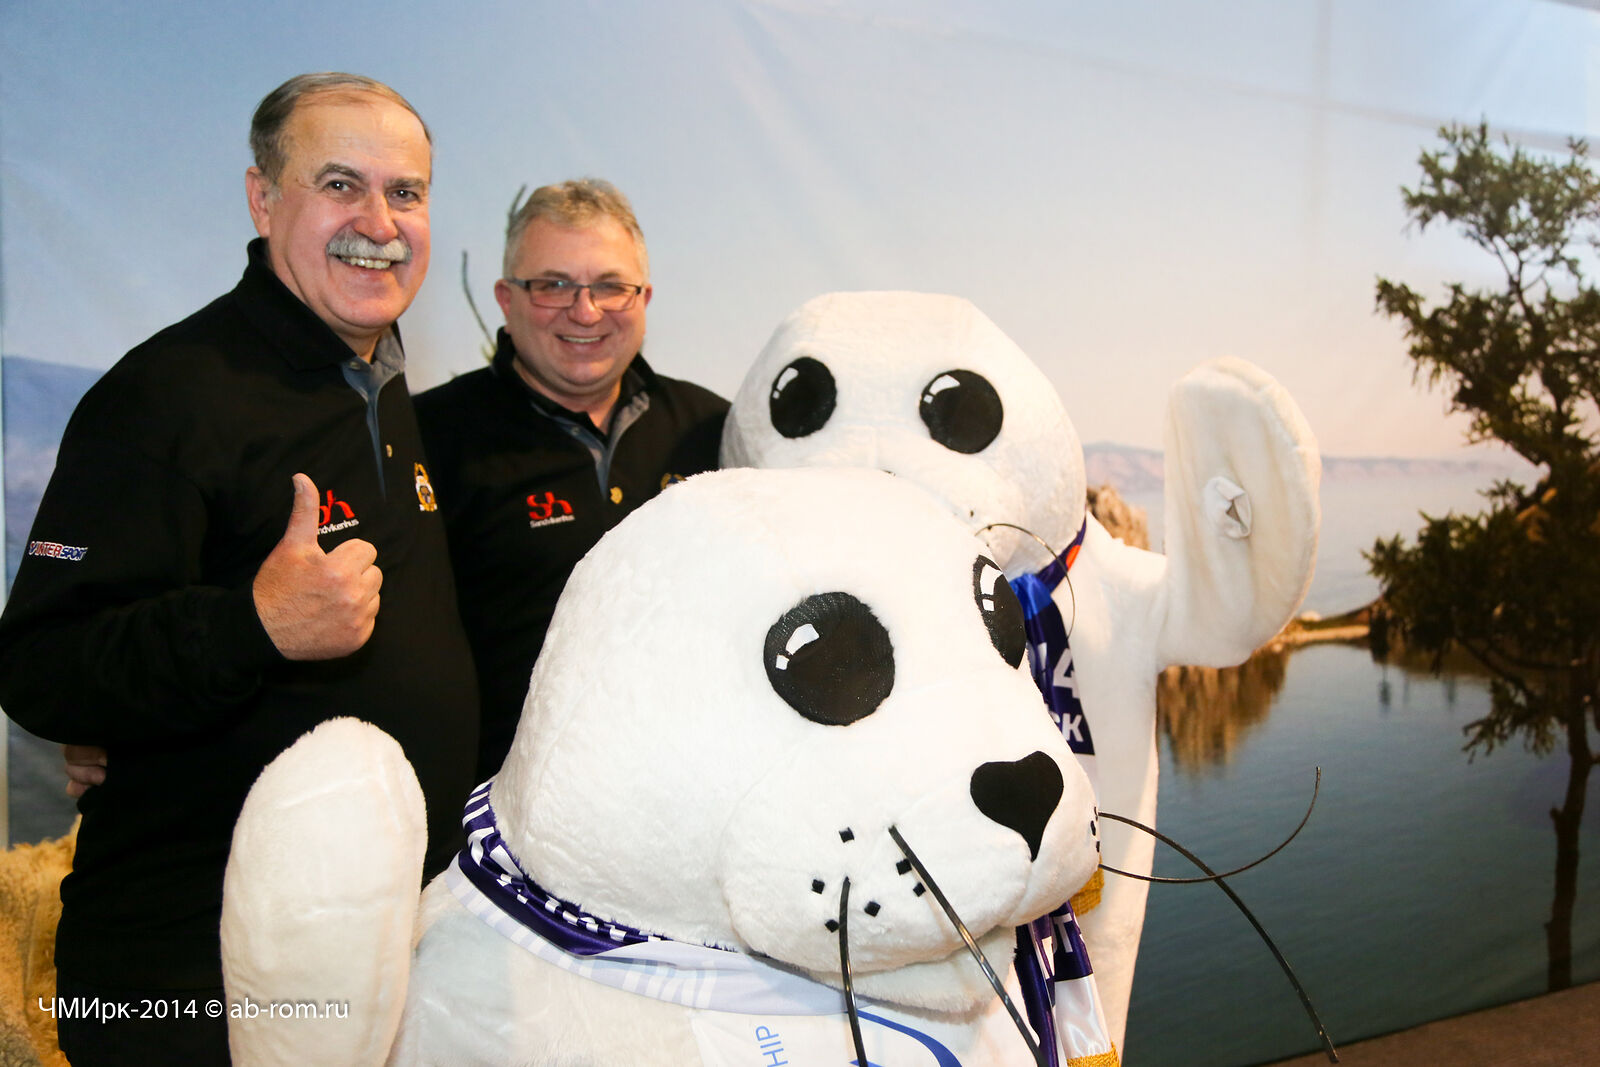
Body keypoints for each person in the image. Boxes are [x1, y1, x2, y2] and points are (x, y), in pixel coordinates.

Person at [0, 73, 479, 1065]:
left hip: (367, 964)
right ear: (263, 199)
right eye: (340, 184)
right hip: (190, 980)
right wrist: (252, 625)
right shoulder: (167, 394)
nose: (379, 223)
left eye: (406, 192)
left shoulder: (382, 386)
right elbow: (43, 665)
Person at [415, 179, 726, 781]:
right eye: (553, 285)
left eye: (610, 286)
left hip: (697, 794)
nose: (585, 312)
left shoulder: (713, 430)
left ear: (644, 298)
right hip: (507, 812)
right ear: (506, 298)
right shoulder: (431, 438)